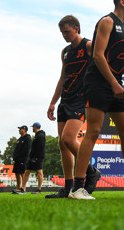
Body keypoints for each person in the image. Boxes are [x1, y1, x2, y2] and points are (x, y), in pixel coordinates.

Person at [70, 0, 124, 200]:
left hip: (117, 86)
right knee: (93, 131)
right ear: (122, 2)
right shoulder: (107, 21)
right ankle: (77, 188)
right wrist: (114, 83)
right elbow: (97, 55)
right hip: (98, 83)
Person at [46, 15, 96, 198]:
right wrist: (53, 102)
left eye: (66, 31)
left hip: (81, 99)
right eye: (62, 33)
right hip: (65, 99)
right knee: (62, 143)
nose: (64, 35)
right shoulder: (65, 51)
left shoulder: (89, 46)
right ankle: (67, 187)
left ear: (77, 29)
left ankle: (90, 171)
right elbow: (62, 78)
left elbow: (102, 66)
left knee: (68, 138)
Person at [23, 122, 46, 194]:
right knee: (27, 171)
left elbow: (41, 147)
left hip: (37, 157)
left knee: (39, 172)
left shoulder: (40, 136)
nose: (32, 128)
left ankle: (39, 189)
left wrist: (36, 157)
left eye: (33, 127)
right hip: (32, 157)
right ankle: (23, 188)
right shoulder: (37, 135)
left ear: (35, 127)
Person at [12, 125, 31, 194]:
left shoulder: (27, 138)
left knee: (22, 172)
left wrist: (20, 156)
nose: (19, 130)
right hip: (17, 159)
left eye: (20, 129)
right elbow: (16, 149)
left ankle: (23, 188)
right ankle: (18, 188)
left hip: (23, 158)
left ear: (24, 130)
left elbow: (26, 150)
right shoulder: (19, 139)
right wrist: (14, 156)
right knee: (17, 173)